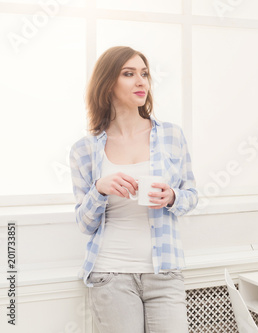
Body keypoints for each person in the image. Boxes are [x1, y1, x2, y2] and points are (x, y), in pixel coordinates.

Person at [70, 46, 198, 333]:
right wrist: (99, 189)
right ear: (107, 84)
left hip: (164, 272)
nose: (141, 82)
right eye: (129, 74)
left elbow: (191, 196)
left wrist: (172, 196)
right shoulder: (84, 150)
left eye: (144, 74)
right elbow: (84, 223)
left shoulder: (171, 135)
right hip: (110, 274)